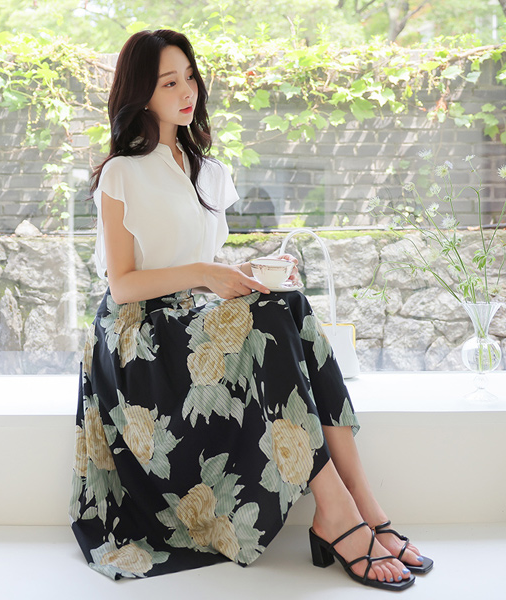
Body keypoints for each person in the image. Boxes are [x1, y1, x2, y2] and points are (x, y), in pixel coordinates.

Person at [69, 29, 432, 589]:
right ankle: (337, 514)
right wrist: (206, 274)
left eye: (190, 77)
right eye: (169, 83)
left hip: (190, 316)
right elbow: (122, 284)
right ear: (141, 93)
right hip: (137, 338)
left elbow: (199, 261)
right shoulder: (122, 171)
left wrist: (247, 272)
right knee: (269, 321)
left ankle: (364, 505)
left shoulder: (205, 169)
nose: (186, 91)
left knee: (289, 304)